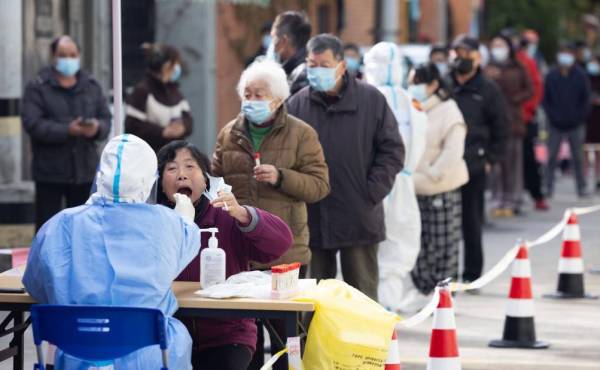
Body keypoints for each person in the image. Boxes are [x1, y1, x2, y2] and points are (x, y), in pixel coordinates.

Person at [23, 134, 200, 369]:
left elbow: (37, 286)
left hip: (78, 357)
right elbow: (186, 247)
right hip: (149, 358)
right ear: (149, 180)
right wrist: (186, 220)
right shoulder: (169, 224)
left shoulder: (59, 225)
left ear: (99, 175)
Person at [211, 59, 330, 369]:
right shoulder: (229, 134)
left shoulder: (302, 134)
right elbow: (214, 178)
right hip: (240, 252)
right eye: (247, 94)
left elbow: (320, 186)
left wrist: (281, 177)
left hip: (285, 254)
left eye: (259, 94)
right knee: (243, 334)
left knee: (286, 338)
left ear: (278, 99)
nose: (251, 101)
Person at [287, 34, 405, 300]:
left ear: (341, 65)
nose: (316, 70)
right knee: (312, 298)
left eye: (324, 64)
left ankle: (365, 344)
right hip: (313, 216)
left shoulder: (370, 99)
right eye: (311, 63)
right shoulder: (298, 103)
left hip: (358, 213)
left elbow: (393, 150)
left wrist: (371, 192)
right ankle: (315, 344)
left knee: (361, 296)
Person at [157, 140, 293, 370]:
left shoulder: (225, 215)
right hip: (169, 334)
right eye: (171, 169)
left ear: (206, 179)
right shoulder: (153, 221)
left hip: (227, 335)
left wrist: (243, 214)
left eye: (190, 167)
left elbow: (282, 243)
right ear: (160, 184)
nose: (181, 175)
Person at [21, 35, 112, 231]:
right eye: (63, 55)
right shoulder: (38, 87)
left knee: (83, 228)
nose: (68, 59)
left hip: (84, 172)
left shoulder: (91, 86)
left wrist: (96, 128)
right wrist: (67, 129)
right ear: (54, 56)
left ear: (79, 55)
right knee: (48, 227)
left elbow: (106, 119)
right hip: (50, 172)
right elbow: (33, 124)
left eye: (72, 55)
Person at [363, 42, 427, 312]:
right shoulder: (412, 101)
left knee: (367, 248)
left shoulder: (364, 97)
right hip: (401, 182)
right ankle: (389, 304)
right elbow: (421, 140)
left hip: (370, 183)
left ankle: (371, 305)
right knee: (399, 244)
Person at [407, 62, 469, 307]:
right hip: (414, 186)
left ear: (433, 84)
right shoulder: (413, 109)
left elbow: (453, 150)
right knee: (417, 241)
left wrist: (433, 173)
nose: (413, 87)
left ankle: (444, 293)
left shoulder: (448, 110)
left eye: (417, 82)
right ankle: (423, 288)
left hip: (441, 185)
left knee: (443, 242)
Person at [449, 34, 508, 286]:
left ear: (477, 58)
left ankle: (472, 275)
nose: (461, 59)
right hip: (445, 166)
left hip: (474, 164)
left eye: (467, 54)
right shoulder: (444, 85)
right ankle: (445, 274)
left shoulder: (488, 89)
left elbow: (502, 128)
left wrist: (490, 158)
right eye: (457, 54)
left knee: (471, 222)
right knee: (445, 224)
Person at [484, 34, 534, 217]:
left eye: (501, 45)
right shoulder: (487, 68)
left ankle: (514, 199)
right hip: (493, 123)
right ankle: (497, 199)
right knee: (496, 164)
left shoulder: (519, 67)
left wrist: (515, 100)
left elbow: (530, 89)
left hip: (513, 120)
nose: (498, 48)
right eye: (495, 45)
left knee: (513, 162)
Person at [543, 42, 591, 198]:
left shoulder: (581, 75)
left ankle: (581, 187)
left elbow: (586, 99)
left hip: (575, 123)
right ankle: (547, 187)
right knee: (551, 157)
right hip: (555, 123)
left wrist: (579, 117)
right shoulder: (551, 75)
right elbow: (545, 99)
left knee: (578, 157)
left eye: (568, 53)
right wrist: (552, 116)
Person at [125, 43, 192, 152]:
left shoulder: (175, 91)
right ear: (167, 65)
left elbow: (188, 120)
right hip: (149, 156)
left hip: (174, 155)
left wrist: (182, 128)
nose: (177, 67)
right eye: (175, 63)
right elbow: (132, 125)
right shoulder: (142, 91)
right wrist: (162, 131)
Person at [516, 34, 548, 211]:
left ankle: (534, 195)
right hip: (517, 118)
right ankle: (526, 196)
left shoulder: (528, 62)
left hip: (524, 118)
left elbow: (535, 88)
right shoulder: (524, 62)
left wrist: (527, 110)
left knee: (527, 159)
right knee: (524, 161)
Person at [268, 11, 312, 95]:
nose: (272, 46)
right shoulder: (306, 69)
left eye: (273, 38)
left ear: (284, 41)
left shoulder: (300, 78)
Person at [585, 55, 600, 192]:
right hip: (586, 119)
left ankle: (598, 178)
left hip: (598, 119)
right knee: (584, 150)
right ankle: (584, 180)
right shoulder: (584, 78)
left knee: (598, 151)